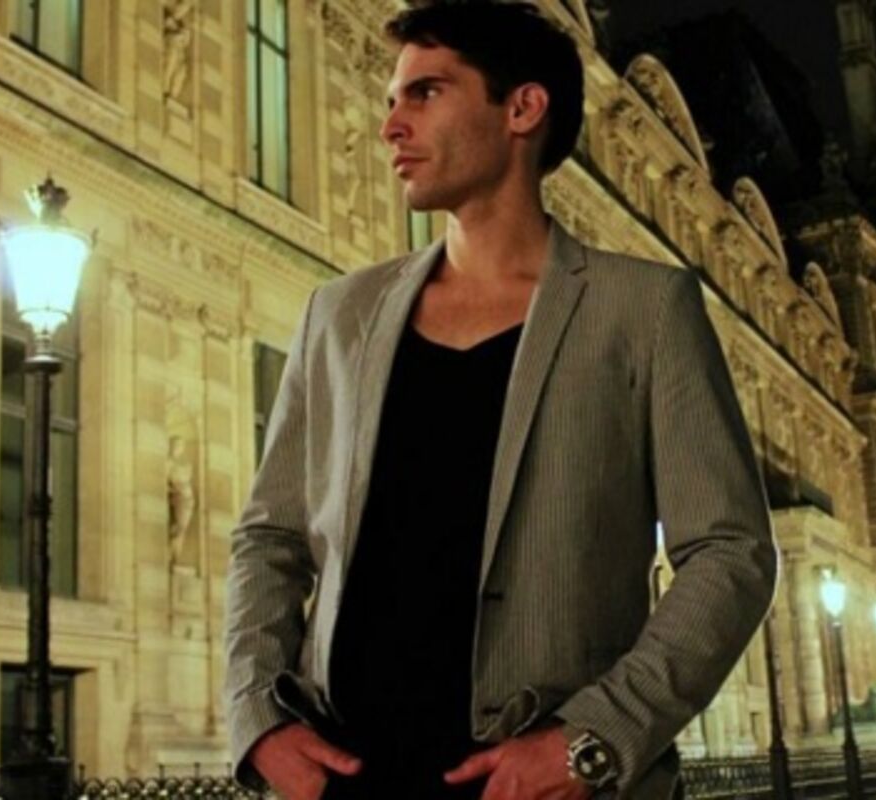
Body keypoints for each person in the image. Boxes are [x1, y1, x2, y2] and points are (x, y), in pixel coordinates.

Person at [223, 3, 778, 799]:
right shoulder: (339, 314)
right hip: (351, 779)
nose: (390, 125)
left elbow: (731, 551)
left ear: (522, 107)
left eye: (426, 93)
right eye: (391, 100)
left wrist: (592, 740)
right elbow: (269, 538)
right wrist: (258, 718)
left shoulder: (645, 310)